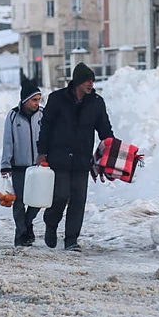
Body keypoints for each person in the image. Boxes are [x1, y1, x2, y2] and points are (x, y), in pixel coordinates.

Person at [37, 62, 114, 251]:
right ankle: (51, 223)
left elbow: (104, 128)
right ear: (77, 81)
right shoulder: (57, 99)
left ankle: (71, 240)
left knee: (78, 200)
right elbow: (45, 127)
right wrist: (42, 152)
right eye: (87, 81)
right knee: (61, 196)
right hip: (59, 157)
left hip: (81, 159)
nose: (91, 84)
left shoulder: (96, 102)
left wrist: (112, 147)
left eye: (92, 81)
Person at [0, 74, 43, 247]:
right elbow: (7, 141)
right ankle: (21, 235)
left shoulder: (43, 115)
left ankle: (27, 224)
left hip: (38, 167)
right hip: (19, 166)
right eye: (34, 100)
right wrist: (5, 164)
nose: (37, 103)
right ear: (25, 100)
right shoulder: (13, 116)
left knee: (37, 200)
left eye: (39, 99)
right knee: (18, 202)